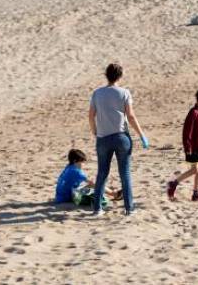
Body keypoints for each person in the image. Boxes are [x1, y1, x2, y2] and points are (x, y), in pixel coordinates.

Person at [88, 63, 149, 216]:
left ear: (106, 75)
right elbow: (131, 116)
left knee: (102, 173)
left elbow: (91, 115)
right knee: (125, 173)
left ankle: (97, 209)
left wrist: (95, 131)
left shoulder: (97, 93)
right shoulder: (124, 92)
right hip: (121, 137)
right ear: (120, 76)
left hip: (103, 138)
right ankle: (129, 208)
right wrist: (141, 135)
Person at [166, 88, 198, 202]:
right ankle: (173, 183)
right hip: (192, 148)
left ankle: (196, 194)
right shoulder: (193, 113)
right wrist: (188, 148)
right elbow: (187, 132)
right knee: (194, 170)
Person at [55, 149, 121, 204]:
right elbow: (92, 183)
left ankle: (112, 193)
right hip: (66, 197)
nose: (83, 164)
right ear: (75, 161)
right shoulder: (77, 171)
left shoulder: (69, 167)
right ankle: (114, 194)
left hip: (60, 197)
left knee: (89, 186)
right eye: (82, 162)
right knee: (94, 185)